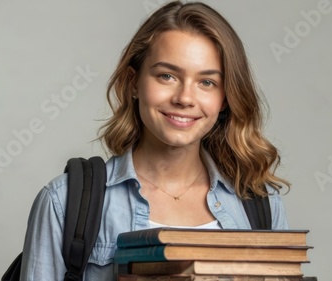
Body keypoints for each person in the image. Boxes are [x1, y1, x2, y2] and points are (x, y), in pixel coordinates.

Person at [19, 1, 291, 280]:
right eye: (167, 76)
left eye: (207, 82)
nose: (184, 98)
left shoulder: (263, 205)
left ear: (225, 98)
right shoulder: (63, 202)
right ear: (134, 82)